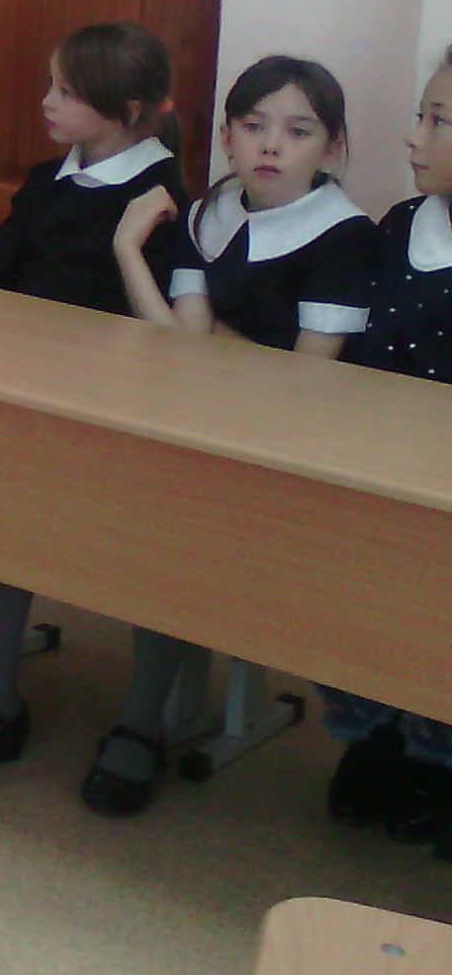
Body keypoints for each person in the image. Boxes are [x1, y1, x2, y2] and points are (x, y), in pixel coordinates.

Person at [0, 23, 183, 782]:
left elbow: (151, 322)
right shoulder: (46, 180)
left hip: (119, 411)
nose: (46, 102)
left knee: (151, 550)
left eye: (65, 91)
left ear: (126, 110)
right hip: (24, 391)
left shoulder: (164, 200)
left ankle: (140, 724)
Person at [102, 55, 374, 817]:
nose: (271, 145)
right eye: (253, 125)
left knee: (182, 530)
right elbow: (182, 349)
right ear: (226, 135)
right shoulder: (208, 212)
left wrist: (214, 346)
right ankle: (153, 700)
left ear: (333, 147)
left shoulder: (345, 236)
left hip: (295, 450)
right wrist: (129, 251)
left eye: (299, 131)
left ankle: (141, 719)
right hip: (203, 422)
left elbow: (308, 381)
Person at [318, 49, 452, 855]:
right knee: (358, 603)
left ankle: (436, 756)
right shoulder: (402, 224)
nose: (414, 136)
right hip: (378, 467)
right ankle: (371, 734)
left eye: (439, 121)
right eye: (420, 115)